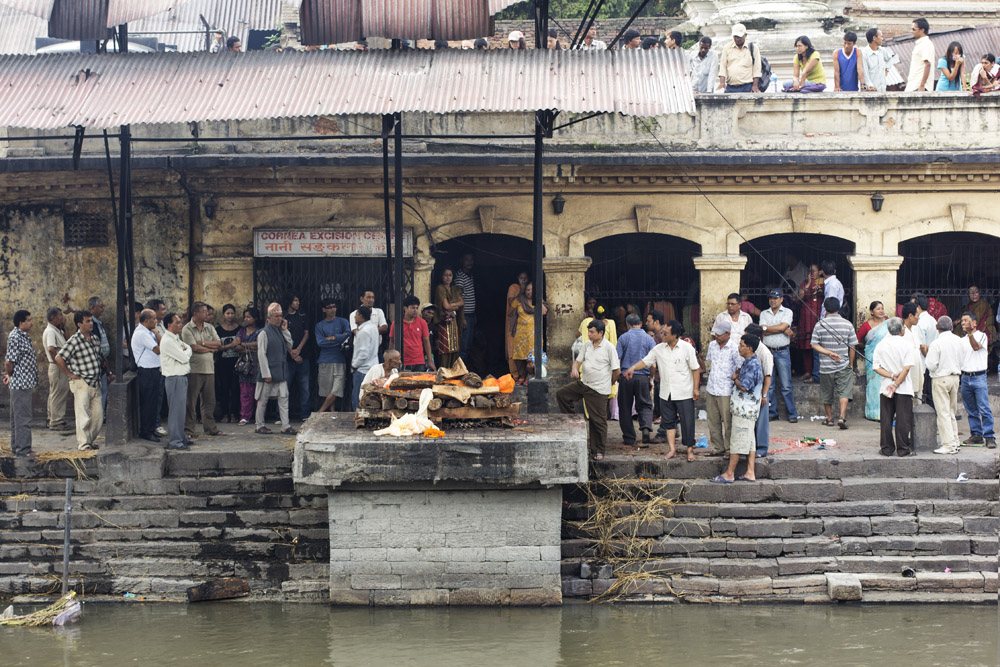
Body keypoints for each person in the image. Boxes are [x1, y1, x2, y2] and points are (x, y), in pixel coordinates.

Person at [624, 320, 700, 461]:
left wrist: (696, 388)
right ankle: (672, 449)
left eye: (665, 333)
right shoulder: (658, 348)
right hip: (666, 392)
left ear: (675, 335)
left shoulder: (686, 348)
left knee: (687, 422)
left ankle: (690, 450)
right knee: (668, 422)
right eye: (662, 332)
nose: (662, 335)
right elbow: (646, 361)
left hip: (684, 391)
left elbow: (695, 369)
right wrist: (633, 368)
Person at [558, 319, 620, 461]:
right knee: (562, 394)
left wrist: (609, 383)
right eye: (588, 332)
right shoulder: (587, 344)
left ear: (600, 333)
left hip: (599, 389)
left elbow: (616, 371)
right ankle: (572, 419)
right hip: (584, 384)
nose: (589, 334)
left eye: (592, 332)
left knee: (597, 421)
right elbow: (578, 361)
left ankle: (598, 450)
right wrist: (574, 369)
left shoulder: (609, 348)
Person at [55, 310, 112, 451]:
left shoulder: (95, 339)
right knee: (83, 415)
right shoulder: (74, 341)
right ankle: (84, 444)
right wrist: (70, 374)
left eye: (91, 320)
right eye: (87, 321)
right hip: (81, 382)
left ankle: (90, 441)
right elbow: (59, 358)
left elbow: (101, 358)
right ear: (79, 324)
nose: (91, 323)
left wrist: (108, 372)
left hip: (95, 382)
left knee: (98, 416)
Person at [711, 333, 763, 483]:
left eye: (742, 345)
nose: (739, 347)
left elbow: (745, 387)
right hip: (749, 409)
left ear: (750, 348)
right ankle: (750, 472)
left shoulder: (752, 364)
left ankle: (729, 473)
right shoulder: (750, 362)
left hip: (744, 410)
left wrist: (735, 379)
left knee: (738, 440)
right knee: (750, 441)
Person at [873, 318, 917, 457]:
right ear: (902, 330)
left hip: (886, 387)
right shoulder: (907, 345)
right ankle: (903, 448)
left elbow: (876, 367)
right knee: (903, 419)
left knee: (886, 419)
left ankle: (886, 448)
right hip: (903, 388)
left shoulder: (881, 345)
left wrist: (891, 377)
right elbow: (906, 368)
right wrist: (896, 383)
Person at [811, 297, 858, 429]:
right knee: (844, 392)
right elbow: (853, 346)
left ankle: (830, 419)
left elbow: (814, 344)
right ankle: (842, 418)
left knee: (826, 393)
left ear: (825, 308)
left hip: (826, 366)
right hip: (843, 364)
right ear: (839, 308)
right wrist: (851, 363)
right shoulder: (848, 324)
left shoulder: (820, 324)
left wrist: (828, 353)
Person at [182, 302, 224, 439]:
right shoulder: (187, 329)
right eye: (204, 311)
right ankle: (189, 429)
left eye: (207, 311)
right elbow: (193, 347)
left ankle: (210, 428)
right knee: (191, 401)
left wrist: (204, 344)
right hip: (194, 369)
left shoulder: (209, 327)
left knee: (209, 401)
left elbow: (218, 343)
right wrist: (210, 349)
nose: (207, 314)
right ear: (195, 314)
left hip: (209, 369)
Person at [254, 303, 297, 436]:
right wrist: (266, 373)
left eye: (280, 316)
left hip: (281, 372)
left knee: (284, 398)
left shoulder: (280, 331)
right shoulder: (264, 333)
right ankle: (259, 425)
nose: (279, 319)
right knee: (263, 400)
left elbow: (290, 345)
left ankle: (286, 425)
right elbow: (261, 354)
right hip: (268, 372)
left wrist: (285, 330)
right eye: (276, 316)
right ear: (270, 318)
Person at [925, 316, 964, 454]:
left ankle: (948, 445)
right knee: (951, 412)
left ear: (937, 327)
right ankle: (955, 441)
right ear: (951, 327)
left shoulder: (936, 343)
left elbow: (931, 364)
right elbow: (962, 360)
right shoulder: (959, 341)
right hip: (955, 378)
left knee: (943, 413)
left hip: (941, 379)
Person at [616, 313, 655, 447]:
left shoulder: (623, 337)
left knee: (625, 407)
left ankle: (629, 437)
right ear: (641, 323)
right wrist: (651, 378)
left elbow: (617, 358)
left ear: (627, 325)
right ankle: (645, 428)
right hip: (642, 377)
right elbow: (653, 363)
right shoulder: (649, 339)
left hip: (626, 376)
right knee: (645, 404)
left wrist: (616, 377)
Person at [760, 288, 798, 423]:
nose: (773, 300)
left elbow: (780, 328)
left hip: (782, 351)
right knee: (769, 385)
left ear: (781, 299)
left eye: (775, 298)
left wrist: (768, 329)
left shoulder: (787, 312)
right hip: (767, 351)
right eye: (771, 298)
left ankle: (792, 414)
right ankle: (772, 412)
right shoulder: (764, 313)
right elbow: (763, 330)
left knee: (786, 385)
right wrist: (780, 329)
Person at [959, 311, 996, 448]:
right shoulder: (961, 340)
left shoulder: (982, 336)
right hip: (965, 377)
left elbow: (975, 347)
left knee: (984, 408)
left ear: (974, 323)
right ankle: (976, 434)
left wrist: (969, 334)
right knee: (971, 409)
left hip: (979, 377)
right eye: (962, 321)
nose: (963, 323)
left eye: (966, 320)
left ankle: (989, 436)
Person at [704, 319, 740, 456]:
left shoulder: (734, 348)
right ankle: (718, 447)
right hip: (712, 387)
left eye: (719, 334)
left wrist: (734, 379)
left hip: (726, 389)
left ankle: (729, 448)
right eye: (716, 334)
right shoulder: (712, 345)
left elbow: (739, 366)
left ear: (728, 334)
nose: (716, 336)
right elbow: (710, 362)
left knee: (728, 421)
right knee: (713, 420)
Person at [4, 310, 37, 458]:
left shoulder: (23, 336)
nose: (31, 323)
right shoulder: (16, 337)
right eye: (28, 320)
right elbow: (9, 362)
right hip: (20, 384)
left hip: (23, 382)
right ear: (21, 323)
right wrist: (10, 375)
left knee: (18, 417)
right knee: (23, 418)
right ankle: (23, 450)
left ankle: (16, 447)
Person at [160, 313, 193, 450]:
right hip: (174, 377)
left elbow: (188, 347)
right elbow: (184, 357)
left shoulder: (175, 338)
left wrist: (186, 351)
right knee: (175, 411)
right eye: (177, 322)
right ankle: (175, 441)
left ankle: (180, 437)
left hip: (180, 377)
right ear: (169, 325)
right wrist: (186, 352)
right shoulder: (168, 340)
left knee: (180, 410)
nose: (180, 325)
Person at [131, 309, 162, 443]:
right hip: (147, 371)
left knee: (153, 402)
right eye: (154, 319)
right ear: (146, 320)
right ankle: (146, 431)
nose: (156, 321)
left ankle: (151, 428)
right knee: (148, 403)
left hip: (153, 370)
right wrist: (158, 333)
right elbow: (159, 349)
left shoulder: (147, 332)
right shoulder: (142, 333)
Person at [315, 299, 351, 412]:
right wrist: (339, 340)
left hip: (339, 359)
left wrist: (332, 337)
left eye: (334, 307)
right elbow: (320, 343)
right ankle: (332, 412)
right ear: (324, 310)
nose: (332, 309)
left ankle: (320, 412)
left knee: (337, 389)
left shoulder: (343, 321)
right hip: (325, 360)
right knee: (327, 390)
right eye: (329, 307)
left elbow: (348, 335)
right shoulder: (319, 325)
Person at [745, 323, 773, 457]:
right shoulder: (749, 349)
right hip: (749, 389)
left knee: (761, 420)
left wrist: (764, 394)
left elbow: (767, 375)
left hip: (760, 389)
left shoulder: (764, 352)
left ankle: (761, 448)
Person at [857, 300, 889, 420]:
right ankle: (874, 413)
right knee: (874, 384)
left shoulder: (888, 323)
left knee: (887, 383)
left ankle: (889, 412)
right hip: (872, 358)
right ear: (871, 311)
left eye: (882, 308)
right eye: (878, 309)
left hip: (888, 358)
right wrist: (869, 346)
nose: (881, 311)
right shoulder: (866, 326)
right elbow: (857, 340)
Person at [510, 283, 547, 385]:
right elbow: (510, 311)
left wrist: (538, 300)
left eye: (531, 290)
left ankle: (529, 376)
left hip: (534, 334)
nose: (529, 292)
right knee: (519, 356)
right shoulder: (519, 300)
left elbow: (544, 312)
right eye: (527, 290)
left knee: (531, 357)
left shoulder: (539, 300)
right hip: (520, 333)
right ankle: (521, 376)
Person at [42, 306, 71, 432]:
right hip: (56, 366)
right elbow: (51, 348)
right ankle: (56, 421)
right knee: (58, 393)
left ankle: (52, 418)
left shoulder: (57, 330)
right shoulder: (50, 331)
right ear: (53, 318)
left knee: (56, 392)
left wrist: (64, 327)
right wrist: (59, 362)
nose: (62, 318)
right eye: (60, 316)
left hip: (57, 365)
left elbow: (68, 341)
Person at [282, 294, 311, 421]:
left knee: (304, 387)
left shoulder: (302, 316)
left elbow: (306, 334)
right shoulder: (283, 317)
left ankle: (305, 414)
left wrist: (298, 350)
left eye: (298, 300)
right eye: (295, 300)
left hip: (303, 356)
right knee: (284, 388)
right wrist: (291, 352)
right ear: (289, 302)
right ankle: (281, 415)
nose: (297, 303)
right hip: (287, 358)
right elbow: (281, 335)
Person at [390, 295, 435, 372]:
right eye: (412, 308)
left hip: (419, 361)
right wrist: (390, 360)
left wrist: (430, 361)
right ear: (405, 308)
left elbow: (426, 342)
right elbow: (392, 341)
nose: (415, 310)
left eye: (417, 308)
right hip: (403, 361)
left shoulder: (422, 323)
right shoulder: (397, 323)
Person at [214, 304, 241, 424]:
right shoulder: (218, 330)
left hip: (237, 364)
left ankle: (234, 414)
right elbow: (216, 347)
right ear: (223, 314)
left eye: (232, 313)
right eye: (227, 313)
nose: (230, 316)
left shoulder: (239, 329)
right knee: (224, 388)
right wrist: (230, 345)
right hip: (222, 364)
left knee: (236, 389)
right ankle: (225, 413)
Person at [798, 263, 824, 382]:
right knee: (806, 344)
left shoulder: (824, 282)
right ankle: (808, 371)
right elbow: (799, 297)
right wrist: (808, 284)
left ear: (819, 271)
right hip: (806, 318)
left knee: (818, 345)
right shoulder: (805, 282)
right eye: (810, 270)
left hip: (818, 317)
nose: (812, 273)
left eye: (814, 270)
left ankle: (817, 373)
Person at [434, 268, 465, 369]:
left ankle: (454, 372)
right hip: (444, 323)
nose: (448, 277)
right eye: (445, 275)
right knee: (445, 349)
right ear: (441, 276)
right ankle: (444, 372)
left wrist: (453, 305)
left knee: (455, 348)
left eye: (450, 275)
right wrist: (455, 306)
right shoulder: (440, 288)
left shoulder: (455, 289)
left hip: (454, 322)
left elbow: (462, 303)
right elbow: (446, 307)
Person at [235, 307, 261, 425]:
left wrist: (244, 345)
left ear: (255, 318)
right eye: (245, 317)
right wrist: (250, 346)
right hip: (244, 365)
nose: (246, 319)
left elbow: (259, 345)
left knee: (258, 392)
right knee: (245, 392)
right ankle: (245, 416)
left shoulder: (261, 331)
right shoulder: (241, 331)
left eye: (248, 317)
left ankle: (259, 416)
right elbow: (236, 345)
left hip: (258, 364)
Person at [718, 23, 761, 93]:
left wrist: (755, 85)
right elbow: (723, 66)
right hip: (730, 86)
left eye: (739, 37)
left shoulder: (753, 48)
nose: (737, 39)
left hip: (747, 86)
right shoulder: (727, 47)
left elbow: (757, 68)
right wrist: (722, 82)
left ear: (745, 35)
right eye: (735, 37)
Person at [351, 306, 379, 410]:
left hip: (362, 369)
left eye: (357, 314)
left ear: (361, 316)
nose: (355, 317)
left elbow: (363, 353)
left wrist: (354, 365)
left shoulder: (364, 331)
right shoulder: (373, 328)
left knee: (358, 397)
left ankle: (358, 417)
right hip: (372, 366)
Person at [912, 293, 938, 406]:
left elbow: (922, 346)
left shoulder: (919, 322)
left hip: (924, 361)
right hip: (933, 359)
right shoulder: (932, 320)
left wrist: (928, 359)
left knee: (922, 392)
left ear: (918, 307)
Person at [87, 296, 111, 410]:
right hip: (97, 362)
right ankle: (99, 415)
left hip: (102, 362)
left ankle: (101, 415)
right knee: (99, 392)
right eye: (100, 306)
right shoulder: (92, 325)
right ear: (92, 307)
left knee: (103, 391)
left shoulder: (98, 323)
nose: (103, 309)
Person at [454, 253, 477, 363]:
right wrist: (462, 317)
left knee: (468, 346)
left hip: (470, 315)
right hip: (465, 316)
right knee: (463, 347)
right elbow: (459, 298)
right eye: (467, 260)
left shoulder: (470, 275)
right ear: (461, 261)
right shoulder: (460, 277)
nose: (469, 262)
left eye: (471, 260)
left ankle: (463, 370)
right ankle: (460, 371)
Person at [505, 271, 529, 377]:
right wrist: (522, 289)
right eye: (521, 278)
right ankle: (515, 374)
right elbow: (512, 305)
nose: (523, 280)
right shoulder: (514, 288)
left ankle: (525, 375)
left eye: (525, 278)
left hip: (527, 328)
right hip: (514, 325)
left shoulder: (530, 290)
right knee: (512, 349)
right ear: (517, 278)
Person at [860, 27, 897, 92]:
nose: (882, 39)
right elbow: (864, 75)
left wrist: (887, 69)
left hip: (882, 90)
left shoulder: (882, 51)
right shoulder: (864, 54)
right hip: (870, 92)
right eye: (881, 36)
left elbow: (890, 59)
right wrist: (871, 86)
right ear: (874, 38)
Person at [901, 302, 923, 400]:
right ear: (910, 316)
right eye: (917, 315)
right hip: (906, 370)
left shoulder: (916, 329)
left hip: (917, 369)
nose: (918, 318)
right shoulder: (900, 331)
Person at [905, 18, 934, 92]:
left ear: (922, 30)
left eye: (914, 29)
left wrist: (922, 86)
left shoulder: (926, 43)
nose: (912, 31)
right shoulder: (920, 44)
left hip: (918, 87)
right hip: (913, 86)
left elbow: (927, 64)